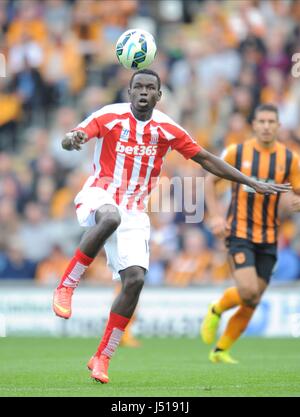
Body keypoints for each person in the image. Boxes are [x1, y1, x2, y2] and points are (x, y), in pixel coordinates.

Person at [52, 70, 290, 383]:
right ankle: (68, 284)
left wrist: (250, 182)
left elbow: (206, 159)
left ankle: (102, 357)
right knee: (110, 217)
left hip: (135, 210)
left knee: (135, 279)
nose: (143, 92)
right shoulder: (109, 116)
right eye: (138, 87)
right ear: (129, 90)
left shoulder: (167, 128)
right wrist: (73, 140)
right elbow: (72, 139)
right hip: (101, 193)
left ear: (159, 96)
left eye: (150, 88)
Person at [201, 103, 300, 364]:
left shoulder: (290, 159)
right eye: (262, 121)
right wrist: (215, 216)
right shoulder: (237, 152)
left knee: (253, 300)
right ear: (254, 125)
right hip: (240, 232)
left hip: (269, 237)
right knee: (247, 290)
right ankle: (217, 308)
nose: (266, 126)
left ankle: (220, 351)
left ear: (278, 126)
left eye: (271, 122)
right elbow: (210, 180)